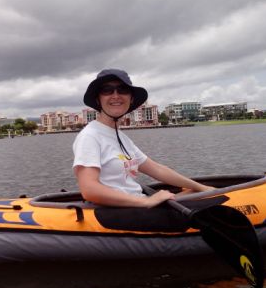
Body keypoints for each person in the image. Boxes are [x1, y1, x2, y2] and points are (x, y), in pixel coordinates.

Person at [73, 69, 214, 208]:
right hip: (122, 214)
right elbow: (89, 189)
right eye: (107, 90)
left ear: (131, 98)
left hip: (138, 205)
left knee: (196, 192)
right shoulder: (90, 136)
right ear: (98, 99)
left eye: (122, 89)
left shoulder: (122, 138)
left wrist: (201, 187)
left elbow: (157, 169)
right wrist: (146, 202)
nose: (115, 95)